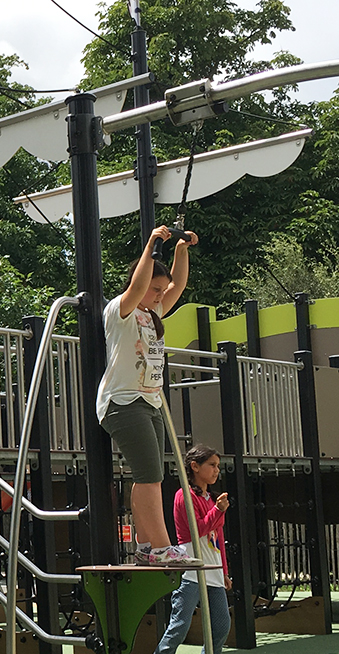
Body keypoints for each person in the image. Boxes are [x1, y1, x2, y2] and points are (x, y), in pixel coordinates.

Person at [97, 224, 204, 567]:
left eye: (161, 290)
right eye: (155, 289)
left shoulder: (153, 311)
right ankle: (160, 547)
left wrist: (181, 250)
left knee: (149, 474)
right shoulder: (121, 310)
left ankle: (145, 546)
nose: (160, 294)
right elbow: (140, 284)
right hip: (124, 401)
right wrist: (153, 242)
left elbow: (178, 285)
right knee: (151, 476)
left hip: (150, 402)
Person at [145, 445, 233, 654]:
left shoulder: (210, 498)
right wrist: (218, 510)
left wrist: (224, 571)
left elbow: (218, 539)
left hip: (212, 569)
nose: (217, 471)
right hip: (191, 569)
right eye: (212, 465)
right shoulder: (184, 495)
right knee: (180, 624)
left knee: (222, 625)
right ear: (195, 467)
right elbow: (198, 529)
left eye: (217, 466)